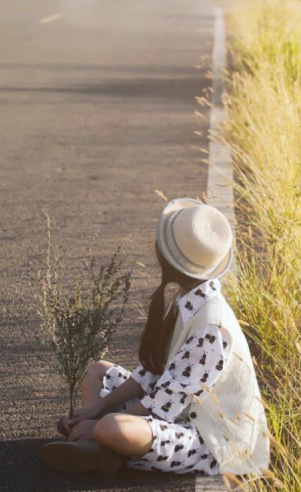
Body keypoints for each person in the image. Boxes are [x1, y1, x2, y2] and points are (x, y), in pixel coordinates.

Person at [41, 198, 270, 477]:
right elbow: (154, 372)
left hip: (213, 440)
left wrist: (102, 420)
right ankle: (98, 446)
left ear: (166, 257)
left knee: (112, 426)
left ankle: (100, 441)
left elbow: (165, 403)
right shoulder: (189, 298)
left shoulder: (212, 327)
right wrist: (95, 410)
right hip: (178, 410)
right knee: (97, 372)